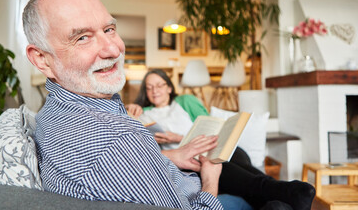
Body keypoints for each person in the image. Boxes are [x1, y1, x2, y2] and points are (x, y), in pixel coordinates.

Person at [22, 0, 253, 210]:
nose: (113, 50)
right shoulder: (118, 139)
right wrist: (211, 179)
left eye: (109, 29)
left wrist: (168, 157)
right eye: (82, 37)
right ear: (41, 59)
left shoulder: (51, 114)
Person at [126, 69, 316, 210]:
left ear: (169, 87)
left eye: (159, 85)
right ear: (145, 92)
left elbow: (211, 126)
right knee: (222, 169)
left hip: (215, 147)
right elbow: (140, 145)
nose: (155, 91)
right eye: (149, 87)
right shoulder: (144, 114)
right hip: (191, 162)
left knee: (231, 161)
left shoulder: (185, 101)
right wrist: (131, 111)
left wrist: (179, 137)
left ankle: (283, 195)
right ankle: (283, 198)